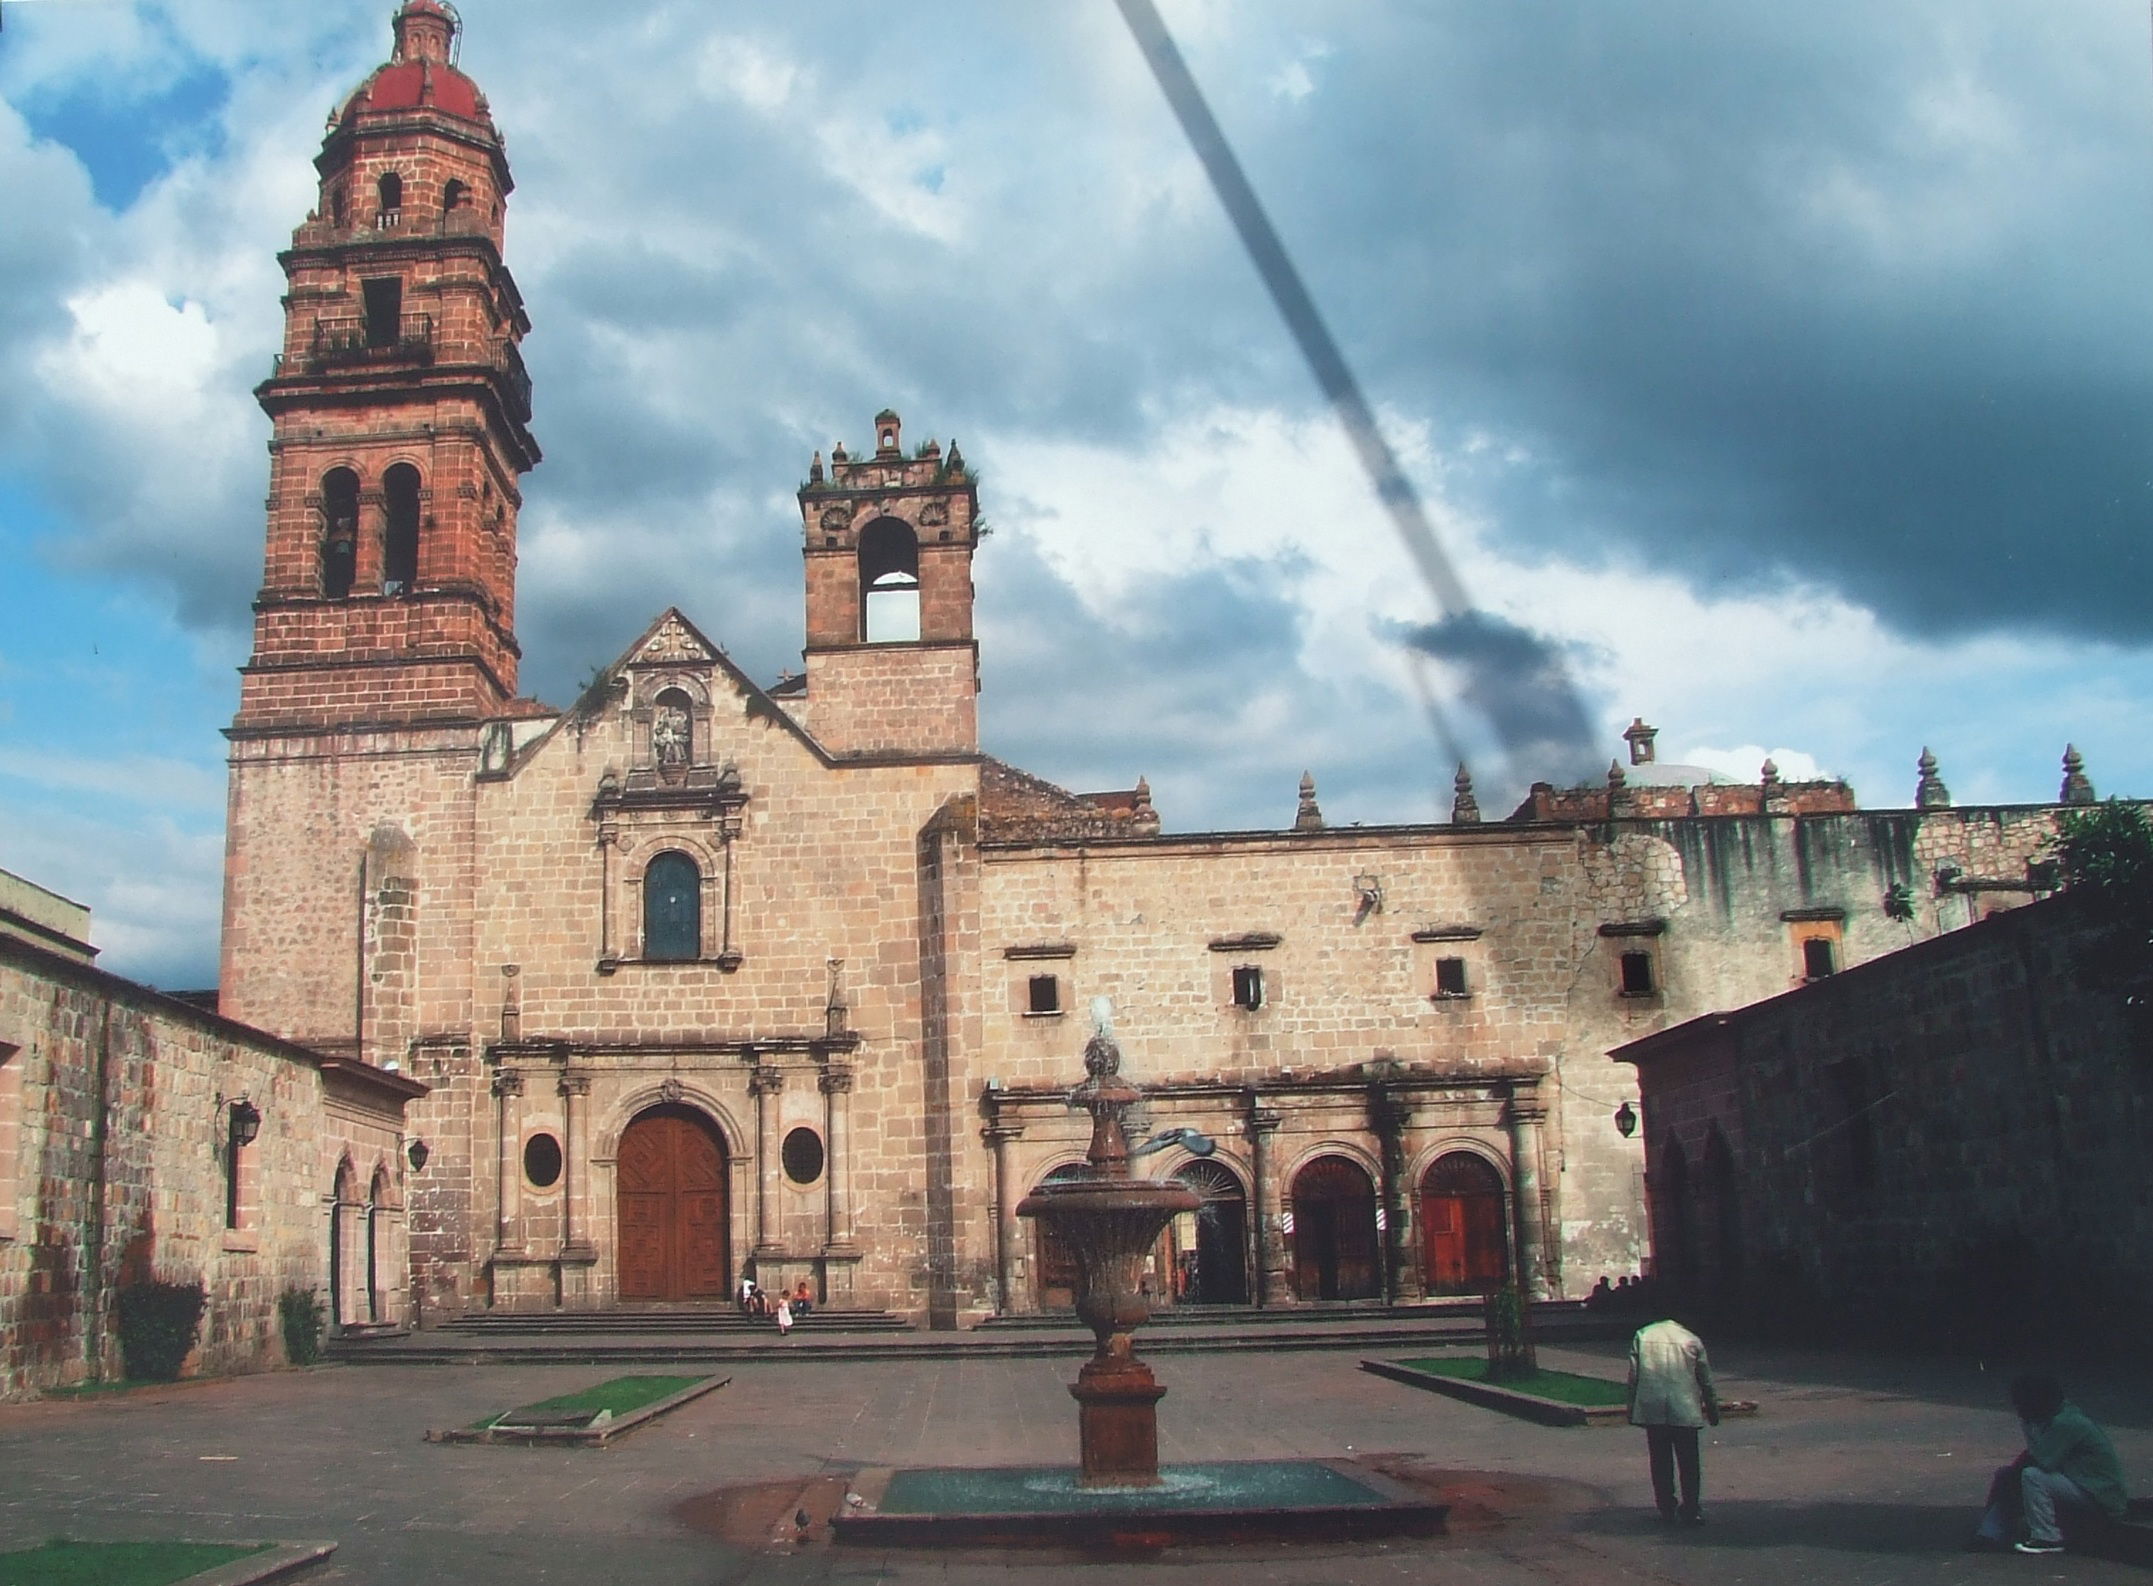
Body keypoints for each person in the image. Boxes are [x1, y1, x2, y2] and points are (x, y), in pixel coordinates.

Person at [1971, 1373, 2128, 1555]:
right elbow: (2032, 1455)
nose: (2019, 1410)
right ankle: (1990, 1533)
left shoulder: (2067, 1422)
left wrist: (2011, 1480)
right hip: (2079, 1485)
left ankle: (2047, 1537)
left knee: (2032, 1476)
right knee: (2006, 1475)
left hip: (2099, 1497)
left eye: (2022, 1404)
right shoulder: (2048, 1419)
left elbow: (2041, 1462)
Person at [1627, 1315, 1720, 1525]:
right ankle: (1691, 1507)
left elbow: (1633, 1377)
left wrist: (1632, 1408)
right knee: (1689, 1462)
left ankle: (1666, 1506)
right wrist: (1712, 1410)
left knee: (1660, 1461)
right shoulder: (1690, 1339)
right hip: (1685, 1407)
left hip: (1653, 1407)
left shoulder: (1643, 1336)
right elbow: (1705, 1379)